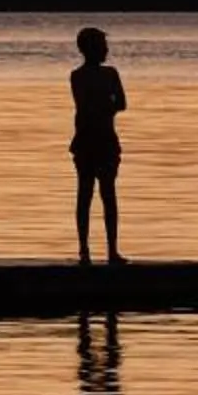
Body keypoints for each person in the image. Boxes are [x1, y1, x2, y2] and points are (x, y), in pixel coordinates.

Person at [70, 25, 127, 265]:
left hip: (100, 139)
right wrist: (106, 105)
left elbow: (121, 103)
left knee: (101, 194)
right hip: (91, 140)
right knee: (91, 194)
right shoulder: (82, 75)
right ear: (90, 49)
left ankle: (107, 250)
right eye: (103, 46)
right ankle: (89, 249)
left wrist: (103, 106)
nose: (106, 50)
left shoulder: (105, 74)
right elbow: (110, 104)